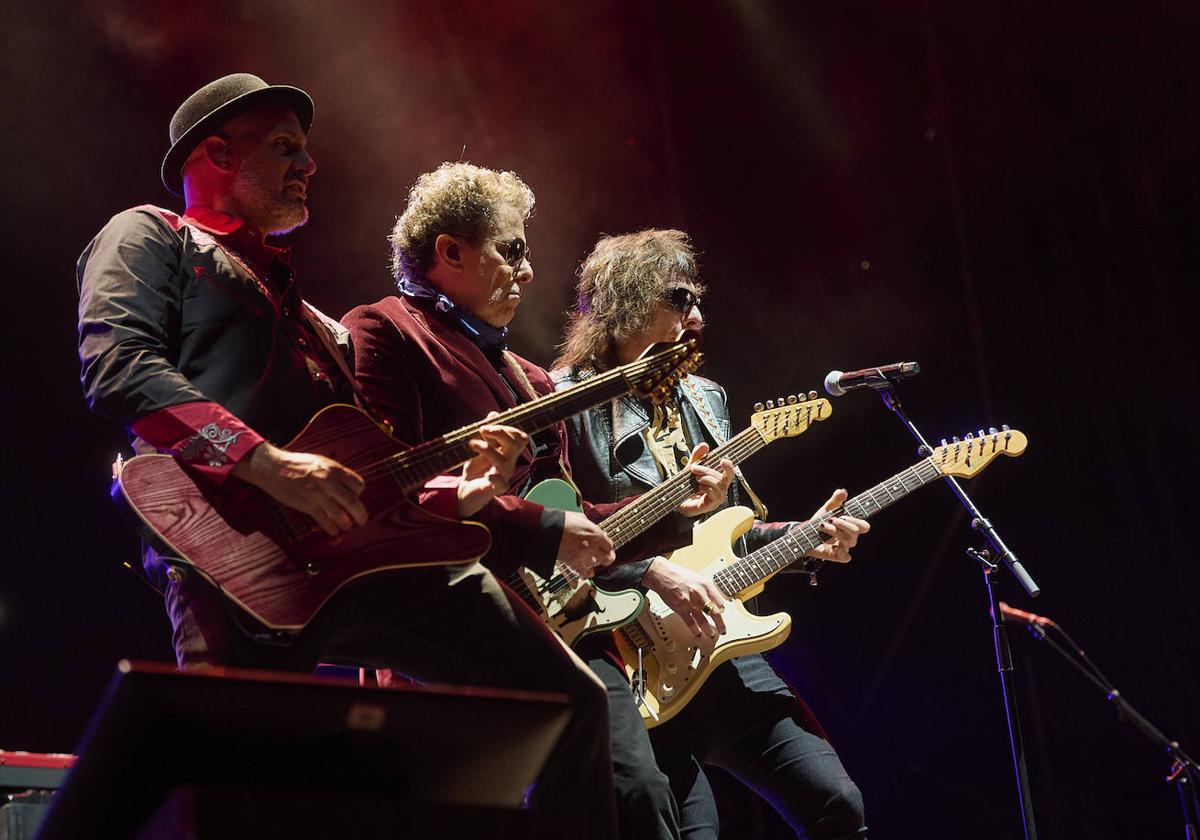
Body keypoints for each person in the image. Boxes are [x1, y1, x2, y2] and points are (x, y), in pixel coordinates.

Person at [76, 74, 616, 836]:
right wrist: (266, 464)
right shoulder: (150, 235)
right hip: (233, 552)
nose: (309, 163)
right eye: (285, 146)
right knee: (244, 786)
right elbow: (119, 369)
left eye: (307, 149)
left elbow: (367, 466)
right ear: (217, 153)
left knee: (569, 699)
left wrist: (458, 494)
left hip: (366, 556)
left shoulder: (302, 305)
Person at [341, 163, 736, 840]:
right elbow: (387, 487)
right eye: (512, 248)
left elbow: (572, 514)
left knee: (641, 797)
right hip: (445, 628)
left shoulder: (526, 378)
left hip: (561, 624)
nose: (527, 270)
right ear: (450, 251)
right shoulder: (384, 331)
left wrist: (678, 504)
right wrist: (539, 523)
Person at [553, 228, 870, 839]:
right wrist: (643, 568)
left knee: (838, 806)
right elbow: (562, 539)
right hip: (632, 655)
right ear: (628, 300)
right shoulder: (566, 402)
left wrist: (805, 538)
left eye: (698, 300)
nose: (697, 316)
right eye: (679, 298)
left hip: (720, 640)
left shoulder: (706, 398)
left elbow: (721, 535)